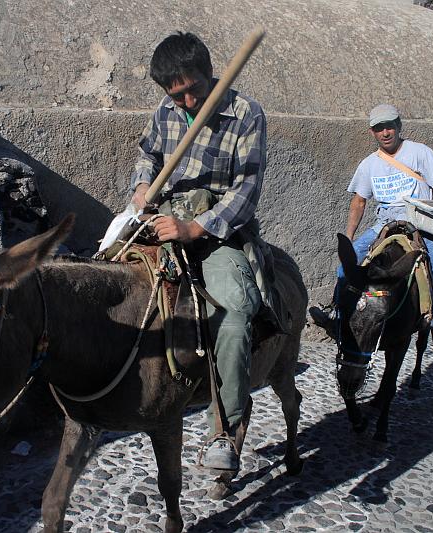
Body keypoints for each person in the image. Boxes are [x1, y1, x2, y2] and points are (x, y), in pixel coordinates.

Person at [129, 32, 266, 471]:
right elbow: (147, 155)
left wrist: (194, 229)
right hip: (161, 220)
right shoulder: (165, 113)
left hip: (214, 232)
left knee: (234, 311)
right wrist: (140, 188)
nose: (187, 101)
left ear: (210, 73)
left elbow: (247, 188)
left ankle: (225, 427)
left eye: (194, 89)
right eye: (177, 93)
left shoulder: (246, 114)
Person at [312, 104, 433, 357]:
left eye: (389, 126)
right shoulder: (369, 165)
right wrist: (349, 236)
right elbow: (359, 201)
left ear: (398, 127)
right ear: (372, 132)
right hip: (385, 222)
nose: (385, 132)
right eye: (378, 128)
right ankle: (338, 313)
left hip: (420, 222)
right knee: (347, 261)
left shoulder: (419, 153)